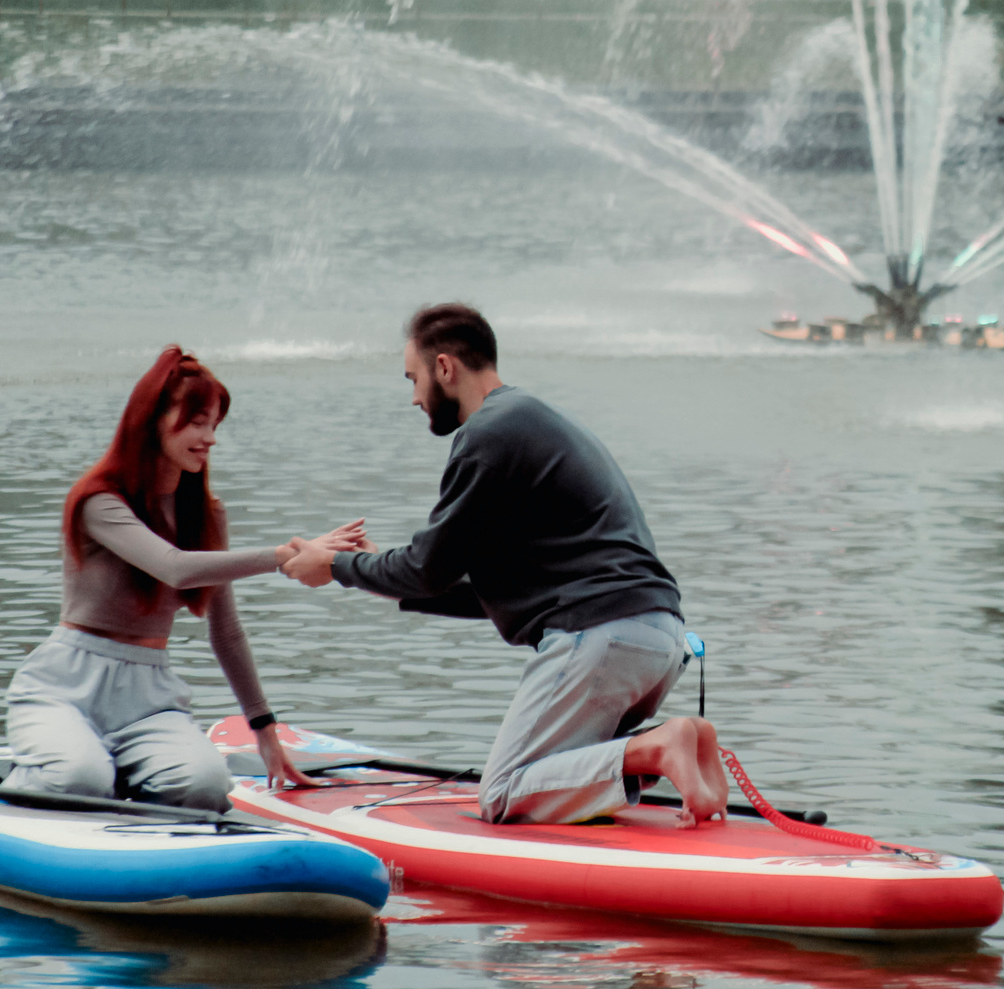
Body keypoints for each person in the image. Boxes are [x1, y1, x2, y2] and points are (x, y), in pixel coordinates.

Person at [283, 303, 726, 825]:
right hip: (658, 637)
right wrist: (373, 572)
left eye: (414, 378)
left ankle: (656, 747)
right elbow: (481, 587)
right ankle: (674, 747)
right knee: (556, 772)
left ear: (445, 368)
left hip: (601, 636)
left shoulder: (487, 435)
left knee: (503, 792)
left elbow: (426, 568)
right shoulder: (530, 421)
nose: (414, 397)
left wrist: (334, 567)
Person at [5, 346, 366, 811]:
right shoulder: (99, 501)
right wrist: (284, 555)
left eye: (215, 424)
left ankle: (114, 773)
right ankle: (30, 777)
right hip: (65, 688)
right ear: (154, 418)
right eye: (197, 422)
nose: (210, 437)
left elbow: (227, 632)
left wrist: (265, 731)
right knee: (79, 778)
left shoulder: (207, 516)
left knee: (205, 787)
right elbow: (173, 566)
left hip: (149, 699)